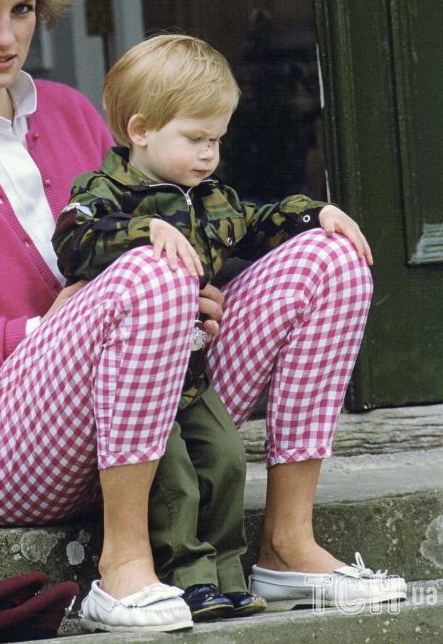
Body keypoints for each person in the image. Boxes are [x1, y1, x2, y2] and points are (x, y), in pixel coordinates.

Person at [0, 0, 404, 636]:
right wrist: (36, 331)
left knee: (327, 259)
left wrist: (193, 299)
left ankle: (287, 544)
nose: (7, 35)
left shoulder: (72, 114)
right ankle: (124, 567)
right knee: (143, 271)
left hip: (144, 421)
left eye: (22, 9)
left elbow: (172, 238)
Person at [53, 33, 407, 615]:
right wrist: (143, 233)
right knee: (176, 478)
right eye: (195, 139)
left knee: (225, 459)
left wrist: (313, 212)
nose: (209, 154)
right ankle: (184, 574)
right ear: (140, 130)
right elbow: (73, 241)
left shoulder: (209, 199)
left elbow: (258, 221)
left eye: (216, 139)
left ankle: (227, 575)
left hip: (192, 378)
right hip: (133, 389)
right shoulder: (104, 193)